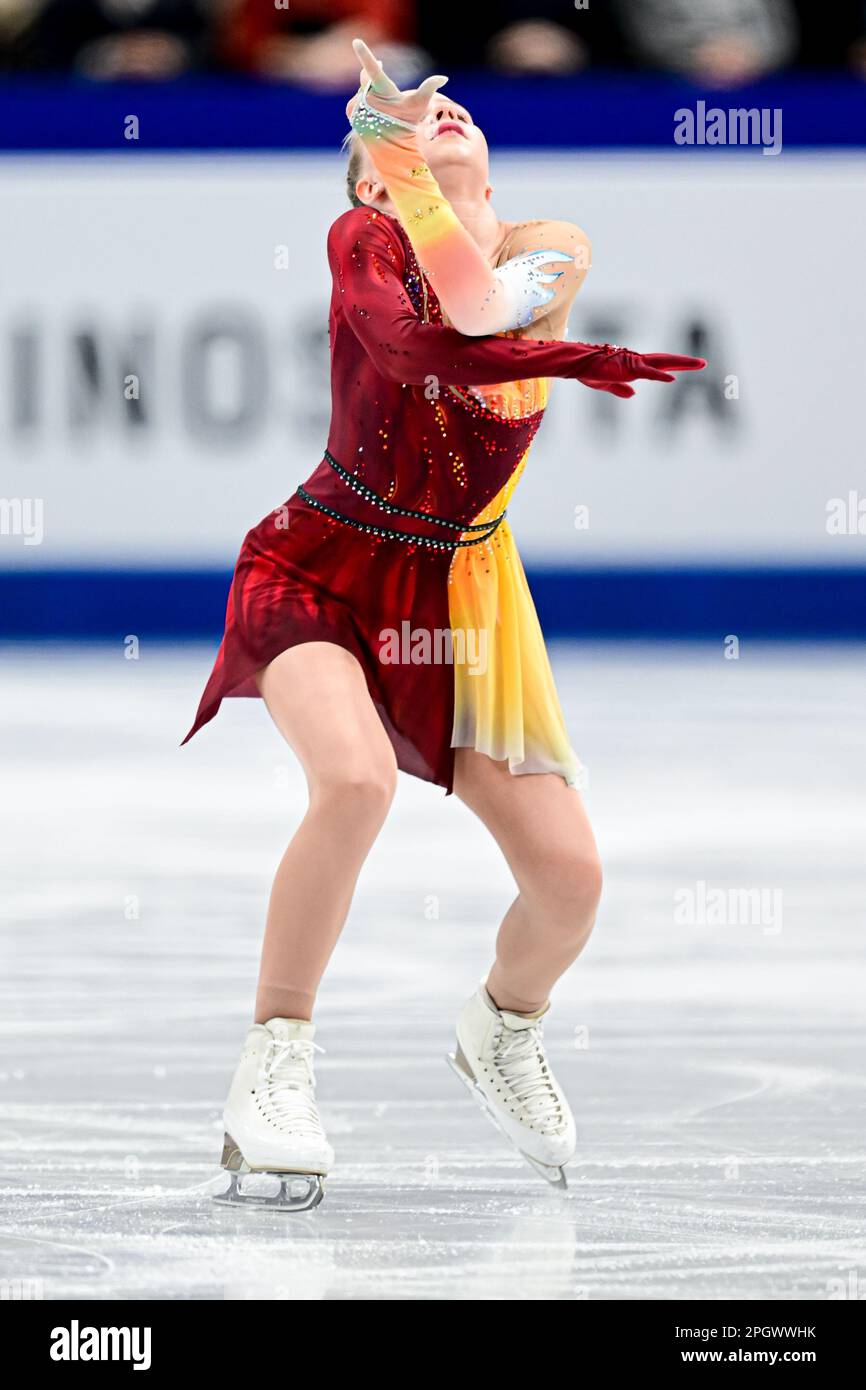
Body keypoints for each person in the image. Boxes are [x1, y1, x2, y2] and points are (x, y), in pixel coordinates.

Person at [188, 37, 705, 1209]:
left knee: (570, 878)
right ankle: (273, 1061)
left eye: (454, 112)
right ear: (372, 183)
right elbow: (425, 336)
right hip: (315, 570)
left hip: (458, 601)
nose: (442, 115)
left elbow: (477, 303)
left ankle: (502, 1027)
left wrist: (399, 149)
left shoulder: (547, 247)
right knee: (355, 783)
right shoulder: (359, 238)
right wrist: (396, 162)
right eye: (410, 129)